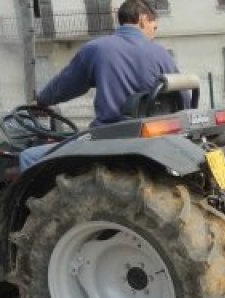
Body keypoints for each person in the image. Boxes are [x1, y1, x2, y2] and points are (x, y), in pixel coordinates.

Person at [19, 0, 183, 170]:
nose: (153, 34)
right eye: (154, 28)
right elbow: (182, 97)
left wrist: (42, 102)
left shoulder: (96, 49)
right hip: (153, 141)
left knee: (28, 157)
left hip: (108, 140)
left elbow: (64, 85)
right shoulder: (162, 54)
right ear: (142, 19)